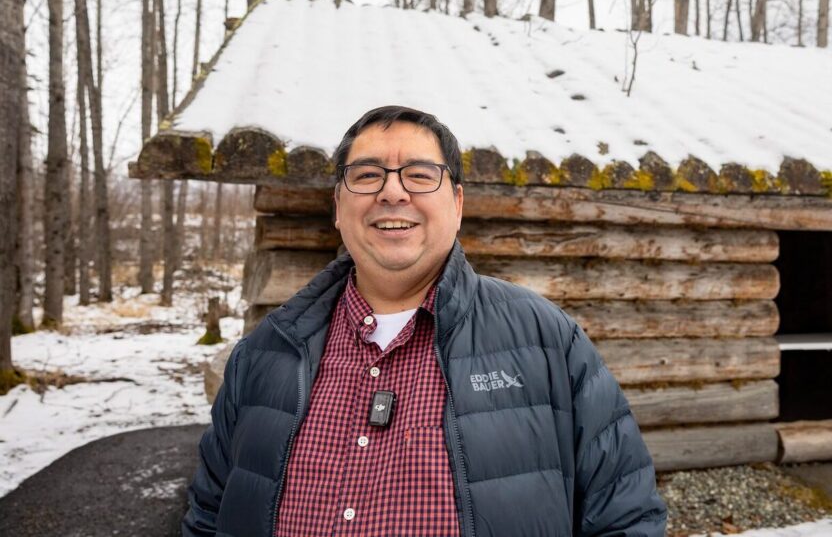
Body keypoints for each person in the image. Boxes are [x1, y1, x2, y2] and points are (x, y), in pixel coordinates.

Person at [183, 105, 667, 537]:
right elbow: (207, 515)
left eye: (418, 175)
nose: (392, 193)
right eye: (368, 175)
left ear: (456, 204)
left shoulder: (547, 342)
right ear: (337, 206)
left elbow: (624, 518)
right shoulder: (265, 353)